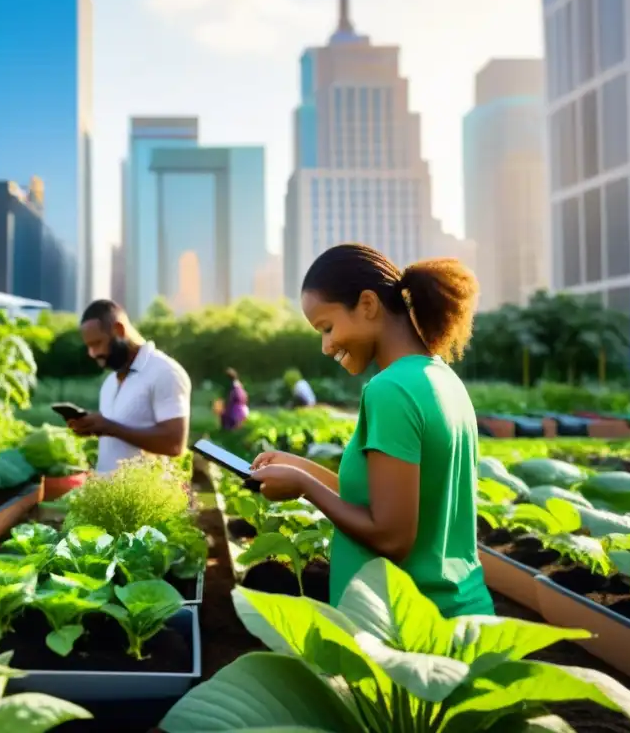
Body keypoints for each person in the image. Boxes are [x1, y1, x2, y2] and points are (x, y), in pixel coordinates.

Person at [250, 244, 493, 617]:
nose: (325, 345)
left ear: (367, 304)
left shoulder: (389, 390)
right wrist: (301, 469)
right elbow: (385, 500)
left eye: (327, 327)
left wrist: (303, 487)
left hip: (409, 634)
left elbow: (391, 536)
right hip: (455, 613)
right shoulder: (440, 377)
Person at [70, 299, 192, 472]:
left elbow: (174, 444)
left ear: (119, 330)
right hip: (108, 496)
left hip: (145, 497)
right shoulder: (109, 383)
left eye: (97, 344)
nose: (92, 353)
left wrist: (109, 427)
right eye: (89, 347)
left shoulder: (165, 372)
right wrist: (93, 428)